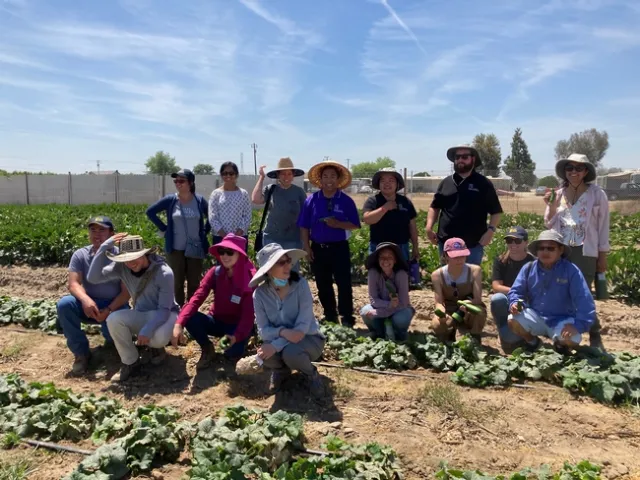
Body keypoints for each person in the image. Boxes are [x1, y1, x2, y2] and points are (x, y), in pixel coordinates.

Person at [87, 233, 179, 382]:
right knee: (113, 319)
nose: (130, 263)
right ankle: (130, 361)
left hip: (166, 314)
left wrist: (147, 330)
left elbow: (164, 309)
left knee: (158, 339)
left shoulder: (164, 273)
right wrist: (103, 247)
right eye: (126, 259)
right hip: (141, 313)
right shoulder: (121, 267)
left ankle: (156, 349)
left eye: (134, 257)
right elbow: (93, 278)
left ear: (144, 254)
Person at [544, 153, 609, 351]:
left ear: (586, 171)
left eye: (578, 168)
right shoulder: (558, 193)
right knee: (562, 293)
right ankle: (565, 334)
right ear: (565, 171)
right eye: (569, 168)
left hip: (585, 250)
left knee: (583, 294)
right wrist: (551, 206)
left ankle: (595, 333)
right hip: (562, 250)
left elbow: (604, 226)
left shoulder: (597, 194)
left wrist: (602, 255)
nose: (573, 172)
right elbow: (548, 222)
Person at [250, 243, 326, 398]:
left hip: (310, 339)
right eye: (281, 262)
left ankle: (311, 375)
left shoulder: (301, 285)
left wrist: (276, 344)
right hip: (282, 337)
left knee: (291, 352)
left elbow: (300, 332)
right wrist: (282, 332)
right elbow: (263, 332)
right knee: (265, 354)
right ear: (269, 270)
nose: (288, 265)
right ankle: (281, 371)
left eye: (288, 261)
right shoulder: (259, 295)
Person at [57, 216, 130, 376]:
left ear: (112, 234)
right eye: (93, 229)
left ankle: (115, 347)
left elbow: (126, 293)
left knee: (113, 340)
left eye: (102, 230)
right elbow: (73, 283)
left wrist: (109, 309)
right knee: (65, 305)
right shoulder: (81, 254)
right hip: (90, 306)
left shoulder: (122, 256)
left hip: (115, 305)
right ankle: (81, 353)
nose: (97, 234)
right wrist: (85, 299)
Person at [171, 234, 256, 370]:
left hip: (236, 326)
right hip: (216, 321)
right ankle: (207, 348)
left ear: (240, 254)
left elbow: (248, 317)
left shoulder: (249, 280)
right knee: (189, 317)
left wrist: (235, 336)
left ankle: (240, 340)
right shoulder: (215, 273)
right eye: (222, 251)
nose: (225, 256)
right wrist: (178, 323)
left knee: (230, 352)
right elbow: (196, 299)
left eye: (230, 252)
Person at [507, 230, 596, 353]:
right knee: (513, 319)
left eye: (550, 248)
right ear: (537, 251)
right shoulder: (528, 268)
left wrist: (578, 326)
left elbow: (584, 300)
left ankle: (560, 346)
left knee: (573, 339)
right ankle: (533, 342)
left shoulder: (571, 270)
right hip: (536, 315)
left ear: (560, 250)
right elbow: (516, 291)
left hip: (562, 319)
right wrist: (515, 302)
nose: (545, 252)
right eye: (541, 248)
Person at [297, 160, 361, 327]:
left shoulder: (346, 201)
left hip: (340, 247)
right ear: (320, 179)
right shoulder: (311, 200)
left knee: (344, 283)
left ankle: (347, 316)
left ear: (338, 179)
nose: (329, 179)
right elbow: (304, 226)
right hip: (318, 248)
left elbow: (355, 224)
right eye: (325, 176)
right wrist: (307, 247)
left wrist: (338, 224)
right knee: (323, 284)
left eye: (333, 176)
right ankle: (330, 315)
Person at [426, 144, 503, 265]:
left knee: (470, 279)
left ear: (473, 159)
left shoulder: (483, 183)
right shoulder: (446, 182)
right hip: (446, 244)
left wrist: (490, 231)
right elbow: (434, 207)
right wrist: (429, 227)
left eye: (465, 156)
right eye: (457, 157)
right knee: (446, 280)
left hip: (472, 245)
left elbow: (496, 212)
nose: (460, 160)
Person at [146, 169, 211, 306]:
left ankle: (192, 312)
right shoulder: (171, 200)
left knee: (194, 282)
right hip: (175, 249)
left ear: (191, 182)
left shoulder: (199, 201)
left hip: (195, 248)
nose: (178, 183)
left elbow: (211, 216)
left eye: (182, 181)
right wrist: (164, 228)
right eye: (176, 181)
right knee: (176, 282)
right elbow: (150, 212)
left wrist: (204, 232)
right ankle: (178, 310)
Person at [430, 238, 486, 343]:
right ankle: (448, 335)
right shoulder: (437, 275)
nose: (459, 259)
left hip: (470, 307)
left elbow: (477, 299)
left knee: (479, 313)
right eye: (455, 256)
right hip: (450, 308)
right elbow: (438, 302)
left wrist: (466, 305)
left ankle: (475, 337)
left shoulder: (475, 270)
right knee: (437, 325)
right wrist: (442, 314)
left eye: (462, 255)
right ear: (446, 256)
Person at [490, 226, 535, 353]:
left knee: (513, 335)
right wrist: (515, 292)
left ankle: (525, 334)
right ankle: (502, 331)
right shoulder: (501, 260)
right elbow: (496, 286)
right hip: (507, 298)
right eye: (509, 241)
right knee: (497, 299)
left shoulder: (533, 262)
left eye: (517, 241)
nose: (513, 244)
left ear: (526, 242)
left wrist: (520, 297)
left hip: (525, 301)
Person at [360, 243, 415, 341]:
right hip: (383, 306)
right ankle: (378, 333)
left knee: (401, 318)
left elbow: (402, 303)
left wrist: (379, 313)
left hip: (399, 309)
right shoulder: (373, 273)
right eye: (382, 257)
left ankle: (399, 334)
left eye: (389, 257)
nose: (385, 260)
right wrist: (389, 305)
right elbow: (373, 300)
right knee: (365, 311)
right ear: (378, 260)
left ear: (395, 260)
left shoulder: (401, 274)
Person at [362, 168, 419, 263]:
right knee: (377, 275)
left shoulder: (405, 202)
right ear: (379, 184)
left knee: (401, 275)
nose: (387, 183)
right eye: (383, 181)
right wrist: (384, 208)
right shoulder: (372, 201)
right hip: (377, 247)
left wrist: (415, 247)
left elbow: (412, 226)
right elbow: (367, 219)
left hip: (401, 247)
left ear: (397, 184)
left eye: (391, 180)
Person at [251, 157, 307, 251]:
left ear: (293, 175)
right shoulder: (271, 189)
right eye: (283, 174)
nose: (286, 177)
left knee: (291, 265)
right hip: (271, 238)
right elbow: (256, 200)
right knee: (273, 265)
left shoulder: (299, 192)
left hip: (293, 239)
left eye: (289, 174)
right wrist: (261, 178)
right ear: (278, 175)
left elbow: (305, 215)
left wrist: (305, 241)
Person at [208, 161, 252, 249]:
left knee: (239, 262)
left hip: (240, 237)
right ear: (221, 175)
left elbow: (247, 215)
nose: (228, 176)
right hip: (220, 237)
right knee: (222, 262)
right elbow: (213, 217)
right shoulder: (215, 194)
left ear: (236, 175)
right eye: (225, 173)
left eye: (231, 173)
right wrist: (225, 236)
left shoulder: (243, 194)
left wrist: (236, 235)